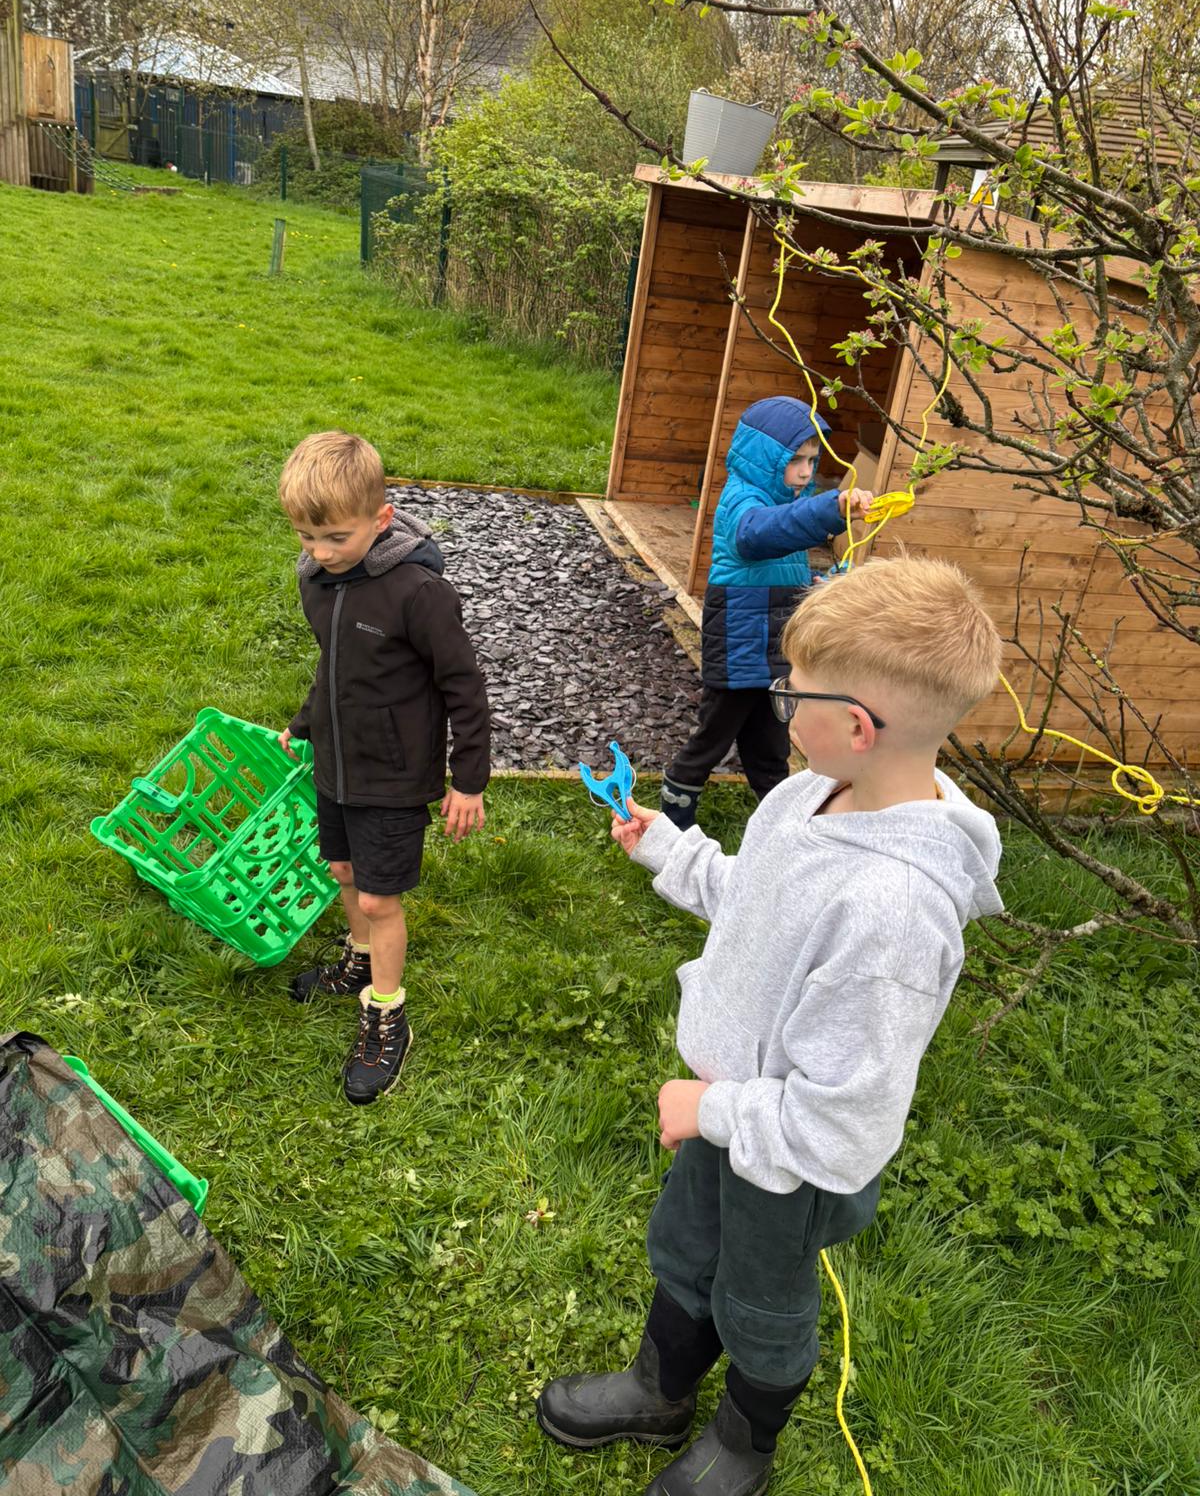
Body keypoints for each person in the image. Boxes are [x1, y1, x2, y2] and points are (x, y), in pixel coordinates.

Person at [537, 555, 1004, 1496]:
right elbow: (756, 902)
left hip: (790, 1160)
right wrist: (668, 848)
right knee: (687, 1249)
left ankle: (743, 1447)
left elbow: (841, 1122)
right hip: (728, 1109)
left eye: (792, 693)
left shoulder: (892, 914)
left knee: (761, 1300)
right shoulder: (806, 795)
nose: (779, 704)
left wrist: (710, 1110)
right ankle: (658, 1390)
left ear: (858, 726)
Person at [277, 432, 490, 1106]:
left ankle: (386, 1014)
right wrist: (304, 723)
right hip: (337, 761)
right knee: (343, 871)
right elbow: (335, 666)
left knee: (378, 898)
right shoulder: (317, 580)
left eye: (335, 537)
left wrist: (469, 779)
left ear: (382, 519)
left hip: (394, 774)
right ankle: (359, 959)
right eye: (306, 536)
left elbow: (464, 686)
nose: (319, 552)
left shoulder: (419, 593)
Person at [660, 395, 874, 831]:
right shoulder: (744, 499)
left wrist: (820, 585)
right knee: (715, 735)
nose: (806, 471)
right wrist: (830, 509)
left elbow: (780, 571)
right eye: (795, 460)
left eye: (812, 460)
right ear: (765, 457)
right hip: (739, 644)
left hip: (772, 647)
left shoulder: (786, 505)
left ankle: (783, 824)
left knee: (771, 743)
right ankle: (675, 807)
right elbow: (758, 538)